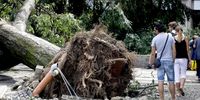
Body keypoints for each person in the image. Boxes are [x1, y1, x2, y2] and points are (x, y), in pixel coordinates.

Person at [148, 21, 176, 100]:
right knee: (171, 81)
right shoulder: (170, 37)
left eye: (154, 29)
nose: (154, 31)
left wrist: (151, 63)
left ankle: (161, 99)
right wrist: (173, 60)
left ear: (157, 29)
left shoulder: (155, 39)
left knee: (160, 81)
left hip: (160, 62)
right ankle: (173, 98)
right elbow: (174, 50)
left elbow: (153, 53)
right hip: (169, 60)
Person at [174, 26, 191, 96]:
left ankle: (178, 92)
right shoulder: (186, 38)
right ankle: (181, 87)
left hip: (176, 59)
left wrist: (173, 59)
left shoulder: (173, 39)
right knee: (183, 74)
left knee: (177, 75)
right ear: (182, 31)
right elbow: (187, 50)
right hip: (184, 58)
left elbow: (174, 51)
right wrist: (190, 60)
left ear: (176, 31)